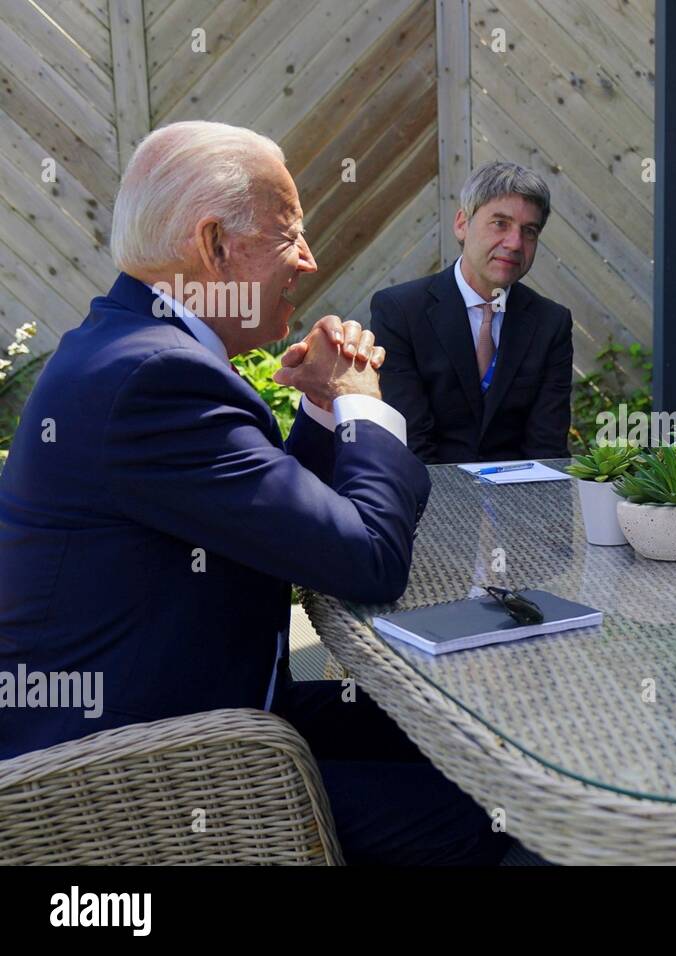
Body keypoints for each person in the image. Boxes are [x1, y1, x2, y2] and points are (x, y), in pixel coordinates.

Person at [0, 121, 506, 864]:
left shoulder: (133, 348)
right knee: (490, 812)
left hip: (198, 710)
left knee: (454, 730)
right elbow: (367, 559)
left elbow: (262, 518)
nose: (309, 258)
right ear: (213, 247)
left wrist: (322, 409)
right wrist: (364, 404)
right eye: (288, 233)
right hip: (134, 779)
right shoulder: (153, 378)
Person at [370, 161, 573, 464]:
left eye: (529, 231)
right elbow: (411, 442)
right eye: (500, 223)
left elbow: (547, 449)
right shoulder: (400, 312)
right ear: (462, 224)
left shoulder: (550, 323)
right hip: (427, 498)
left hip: (519, 501)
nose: (515, 243)